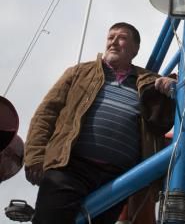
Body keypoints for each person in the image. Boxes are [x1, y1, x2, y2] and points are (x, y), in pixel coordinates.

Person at [24, 22, 176, 224]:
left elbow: (166, 117)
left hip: (118, 179)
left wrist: (173, 85)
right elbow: (46, 114)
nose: (113, 42)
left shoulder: (149, 82)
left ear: (135, 49)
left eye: (121, 37)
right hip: (69, 168)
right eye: (110, 37)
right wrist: (35, 155)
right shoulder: (78, 73)